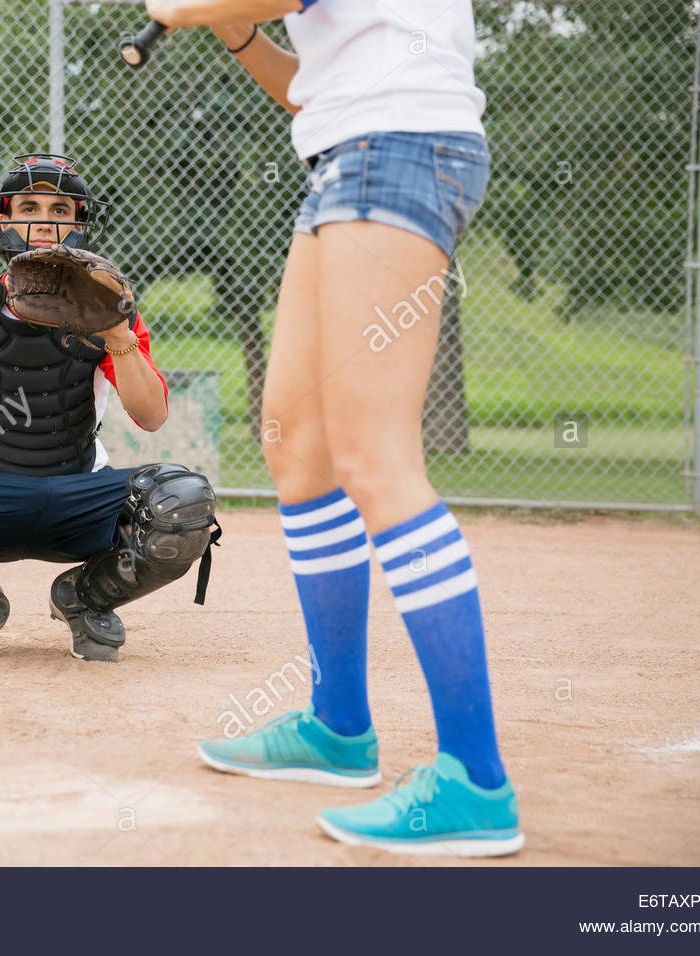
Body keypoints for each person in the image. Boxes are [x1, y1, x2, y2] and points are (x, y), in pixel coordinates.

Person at [146, 0, 523, 856]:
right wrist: (234, 31)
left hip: (397, 151)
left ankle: (475, 780)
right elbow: (303, 88)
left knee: (373, 454)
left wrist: (181, 7)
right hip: (346, 157)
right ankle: (339, 727)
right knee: (297, 443)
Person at [0, 154, 219, 664]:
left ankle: (86, 598)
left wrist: (117, 333)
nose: (45, 221)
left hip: (81, 491)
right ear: (4, 219)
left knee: (184, 503)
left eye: (61, 209)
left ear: (78, 223)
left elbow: (152, 415)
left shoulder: (109, 312)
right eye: (28, 206)